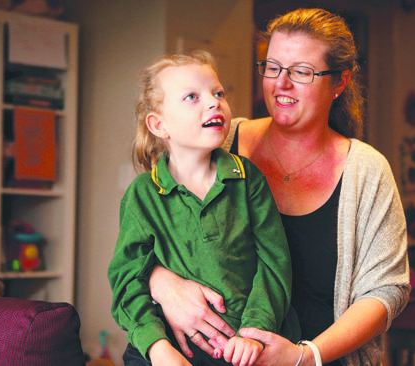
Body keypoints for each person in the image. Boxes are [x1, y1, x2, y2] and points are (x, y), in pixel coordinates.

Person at [147, 8, 410, 366]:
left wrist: (305, 356)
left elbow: (386, 290)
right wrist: (163, 284)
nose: (281, 83)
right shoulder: (216, 141)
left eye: (301, 72)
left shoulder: (366, 171)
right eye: (272, 67)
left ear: (340, 82)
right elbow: (143, 235)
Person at [108, 50, 295, 366]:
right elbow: (128, 279)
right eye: (192, 97)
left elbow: (275, 263)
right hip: (167, 348)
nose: (214, 103)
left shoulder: (248, 179)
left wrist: (254, 331)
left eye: (218, 93)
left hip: (241, 346)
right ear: (159, 124)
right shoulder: (141, 195)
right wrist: (158, 348)